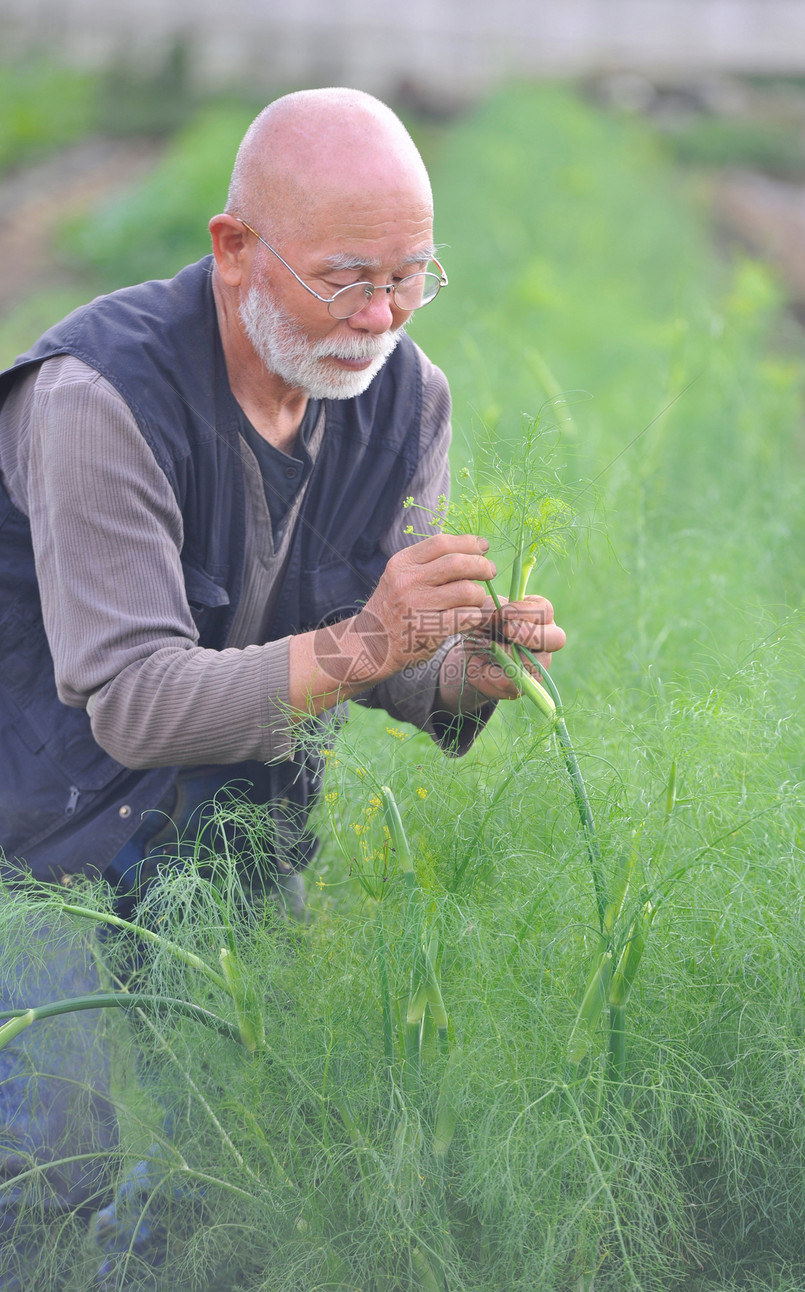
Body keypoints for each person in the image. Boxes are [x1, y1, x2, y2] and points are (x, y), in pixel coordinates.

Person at [0, 88, 565, 1283]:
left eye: (413, 275)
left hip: (238, 844)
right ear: (233, 246)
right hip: (39, 846)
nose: (380, 315)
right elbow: (140, 702)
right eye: (346, 276)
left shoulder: (407, 396)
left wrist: (465, 664)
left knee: (245, 1169)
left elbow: (383, 653)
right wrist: (371, 638)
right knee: (52, 1188)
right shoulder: (99, 398)